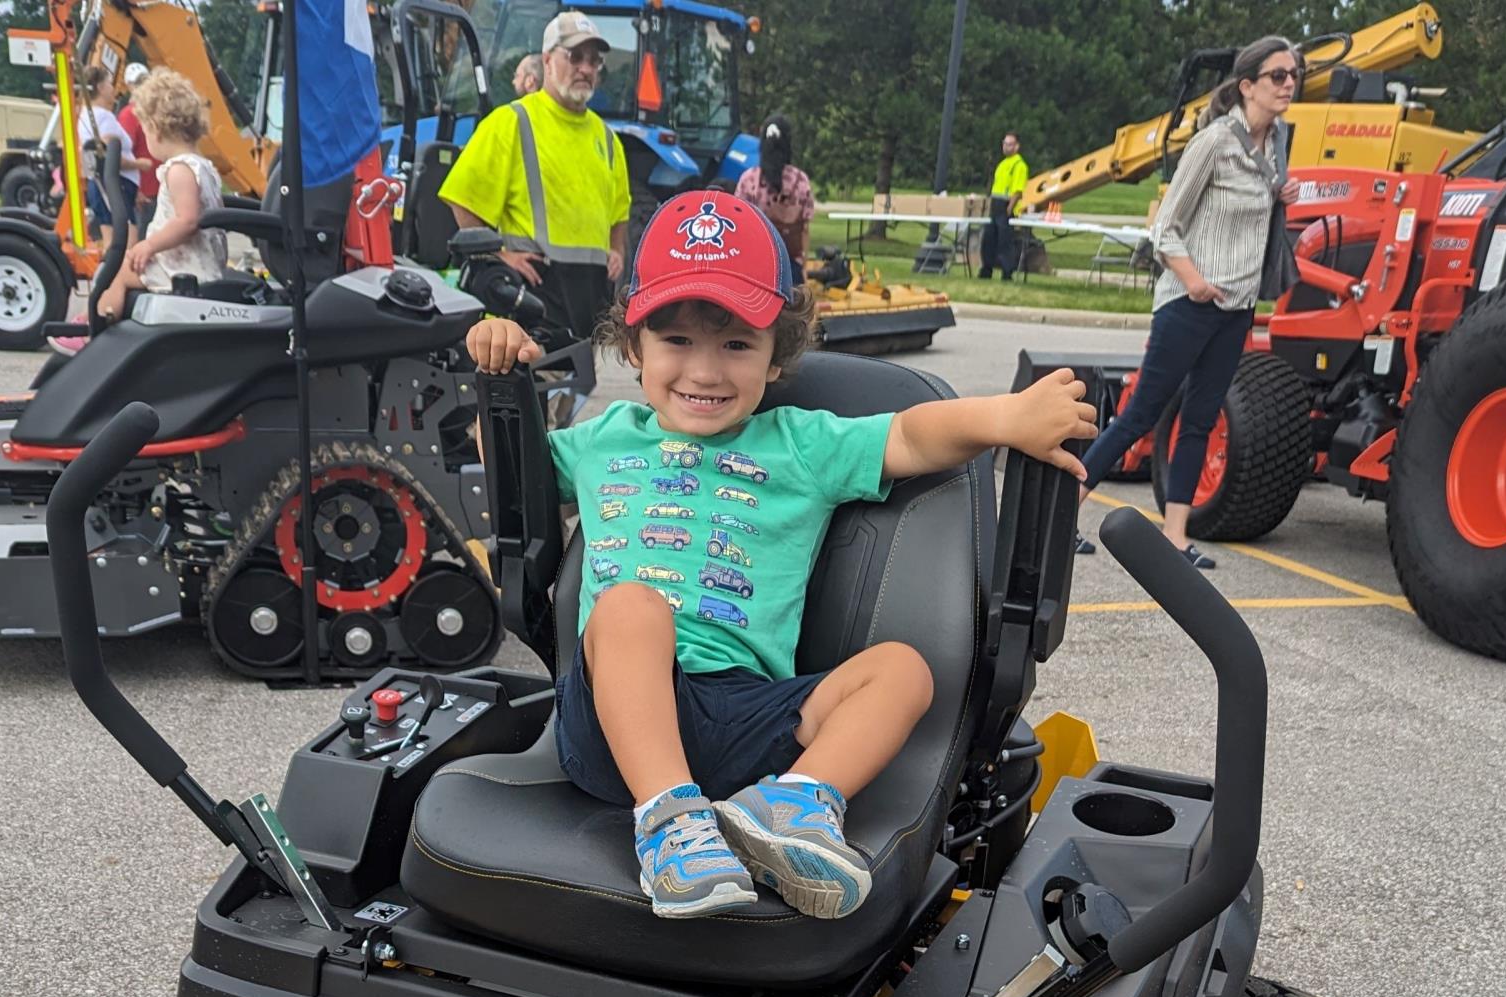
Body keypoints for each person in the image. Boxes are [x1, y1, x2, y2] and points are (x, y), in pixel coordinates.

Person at [466, 191, 1095, 919]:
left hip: (748, 716)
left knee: (903, 671)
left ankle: (791, 806)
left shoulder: (799, 443)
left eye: (736, 345)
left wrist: (1005, 417)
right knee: (629, 606)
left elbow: (915, 437)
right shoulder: (604, 438)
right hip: (615, 720)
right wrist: (500, 376)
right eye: (677, 342)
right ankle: (669, 821)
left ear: (777, 356)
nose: (705, 372)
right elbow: (516, 474)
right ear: (633, 346)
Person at [1073, 36, 1302, 568]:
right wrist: (1195, 281)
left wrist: (1277, 196)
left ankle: (1175, 537)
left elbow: (1253, 205)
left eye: (1294, 75)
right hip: (1189, 300)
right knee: (1138, 416)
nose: (1288, 84)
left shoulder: (1279, 143)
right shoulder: (1215, 141)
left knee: (1199, 419)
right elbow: (1165, 229)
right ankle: (1065, 513)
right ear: (1247, 86)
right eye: (1277, 76)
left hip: (1237, 306)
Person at [440, 10, 629, 342]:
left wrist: (616, 250)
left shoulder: (608, 138)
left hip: (591, 304)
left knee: (583, 393)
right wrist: (497, 256)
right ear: (547, 60)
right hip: (535, 299)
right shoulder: (511, 121)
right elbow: (461, 197)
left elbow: (620, 211)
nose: (585, 68)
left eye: (594, 60)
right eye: (575, 56)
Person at [95, 69, 225, 321]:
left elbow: (187, 221)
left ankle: (98, 323)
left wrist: (149, 245)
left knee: (118, 271)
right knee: (127, 263)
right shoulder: (202, 166)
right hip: (195, 264)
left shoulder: (180, 170)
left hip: (186, 271)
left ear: (154, 129)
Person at [75, 62, 148, 251]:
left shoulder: (85, 115)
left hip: (100, 184)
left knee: (110, 239)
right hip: (117, 185)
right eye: (109, 83)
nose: (113, 88)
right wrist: (139, 164)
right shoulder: (104, 118)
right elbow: (108, 157)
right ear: (99, 88)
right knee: (128, 241)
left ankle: (108, 277)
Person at [735, 114, 813, 284]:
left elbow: (739, 227)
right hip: (791, 270)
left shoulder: (748, 180)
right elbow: (804, 229)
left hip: (754, 268)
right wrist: (803, 267)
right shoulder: (801, 180)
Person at [979, 131, 1027, 281]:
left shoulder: (1019, 165)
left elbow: (1017, 190)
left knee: (1004, 242)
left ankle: (1007, 272)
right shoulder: (1002, 164)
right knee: (989, 239)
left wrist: (1009, 209)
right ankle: (987, 269)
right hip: (995, 205)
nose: (1007, 147)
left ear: (1017, 146)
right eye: (1005, 144)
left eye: (1010, 144)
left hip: (1006, 207)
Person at [116, 60, 158, 232]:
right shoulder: (129, 115)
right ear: (130, 86)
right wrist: (137, 190)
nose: (142, 86)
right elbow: (125, 152)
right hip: (143, 193)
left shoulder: (153, 111)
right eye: (138, 83)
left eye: (144, 81)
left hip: (157, 189)